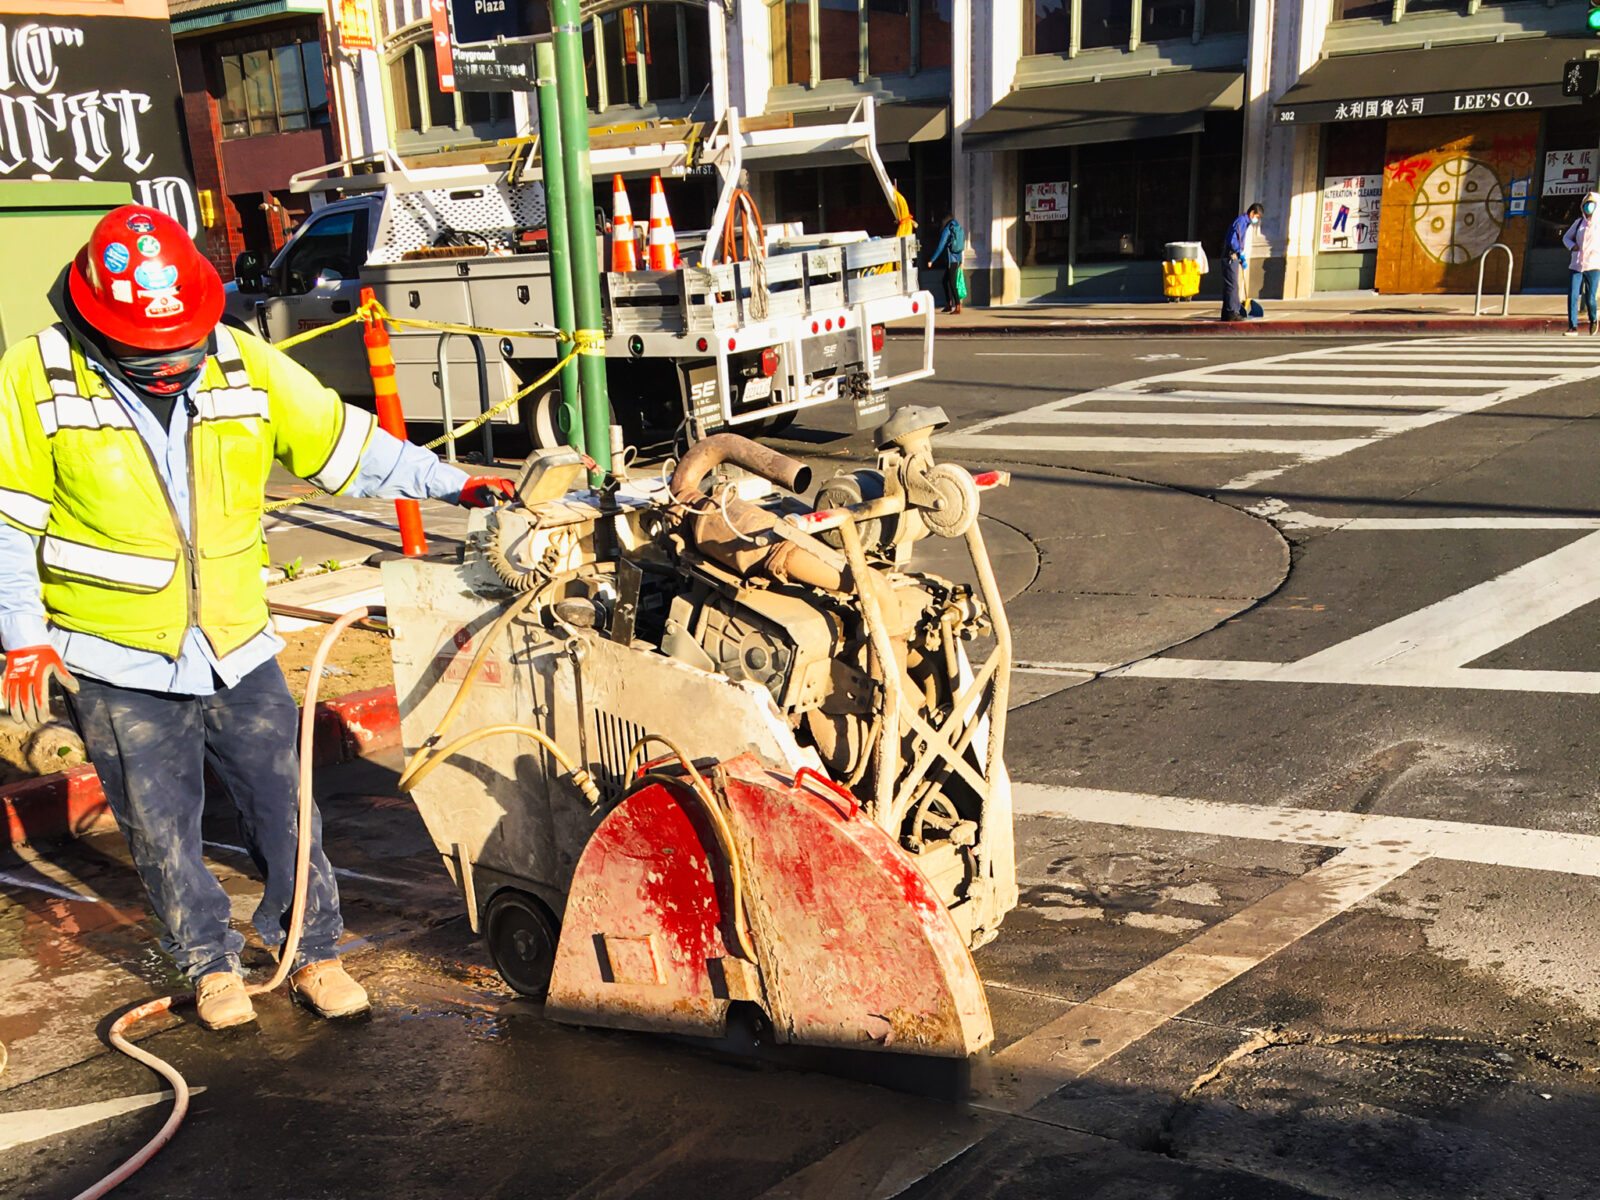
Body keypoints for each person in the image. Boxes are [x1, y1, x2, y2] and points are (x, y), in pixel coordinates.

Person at [0, 206, 516, 1030]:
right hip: (113, 654)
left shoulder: (240, 362)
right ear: (98, 325)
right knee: (162, 827)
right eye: (150, 354)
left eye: (182, 348)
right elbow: (8, 520)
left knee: (286, 804)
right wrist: (21, 634)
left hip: (235, 641)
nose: (172, 366)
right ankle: (208, 965)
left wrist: (454, 483)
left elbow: (345, 446)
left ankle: (309, 950)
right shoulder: (36, 376)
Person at [1562, 191, 1600, 336]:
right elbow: (1566, 238)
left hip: (1594, 265)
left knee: (1590, 297)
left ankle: (1593, 319)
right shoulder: (1579, 223)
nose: (1588, 208)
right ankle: (1573, 326)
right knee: (1573, 295)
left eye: (1591, 205)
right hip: (1577, 264)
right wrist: (1573, 246)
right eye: (1586, 205)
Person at [1221, 202, 1262, 322]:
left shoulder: (1244, 222)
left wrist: (1240, 255)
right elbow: (1234, 240)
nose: (1256, 220)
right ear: (1252, 213)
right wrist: (1240, 253)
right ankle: (1232, 312)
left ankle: (1226, 312)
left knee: (1230, 285)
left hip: (1233, 256)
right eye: (1257, 217)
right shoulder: (1241, 222)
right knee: (1232, 286)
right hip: (1230, 256)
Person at [927, 213, 966, 314]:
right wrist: (960, 261)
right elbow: (961, 246)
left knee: (952, 283)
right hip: (956, 259)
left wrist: (932, 260)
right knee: (945, 281)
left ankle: (957, 306)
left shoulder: (947, 230)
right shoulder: (958, 227)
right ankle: (949, 304)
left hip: (951, 260)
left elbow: (940, 247)